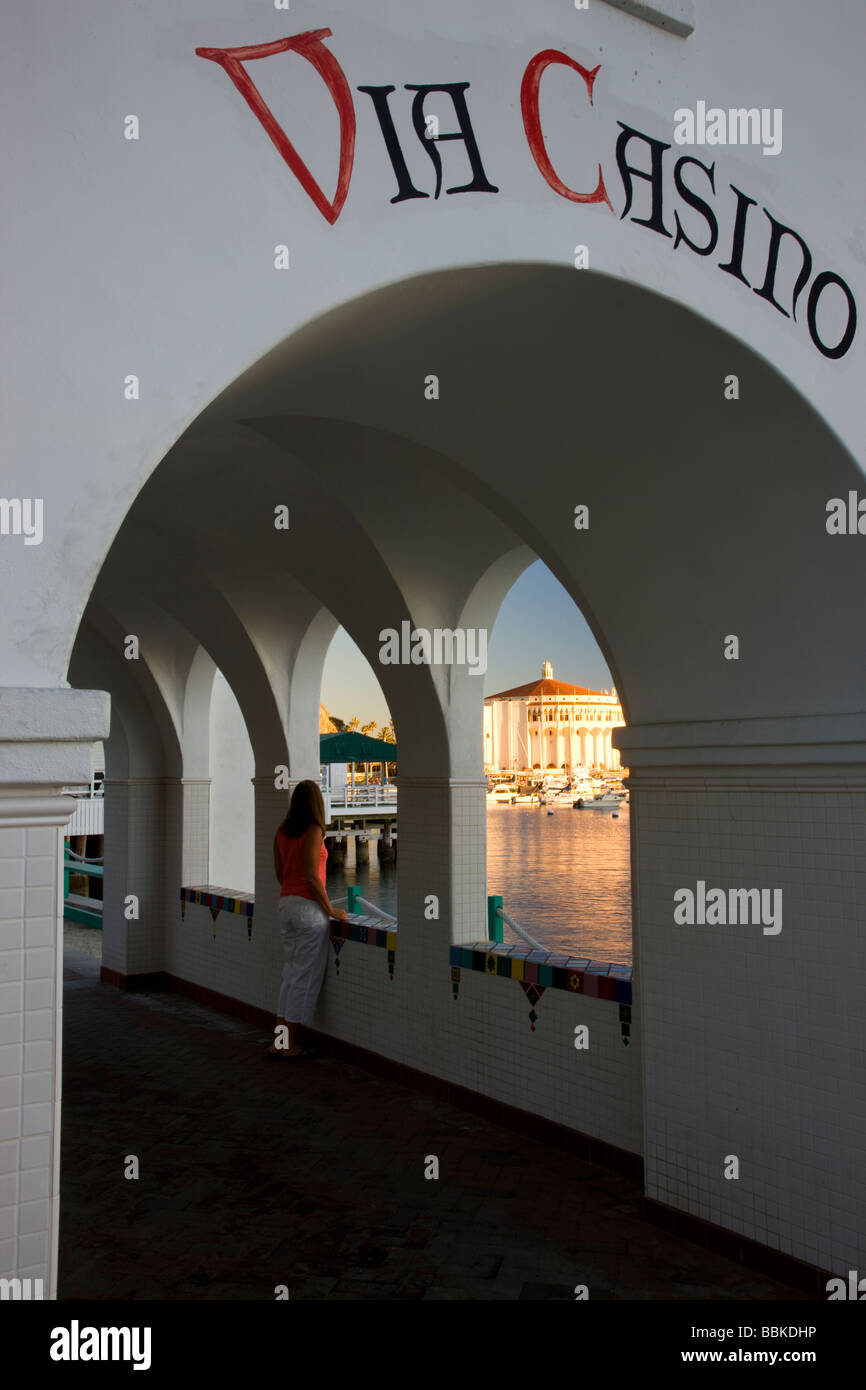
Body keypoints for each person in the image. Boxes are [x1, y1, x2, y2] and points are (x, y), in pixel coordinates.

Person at [267, 780, 348, 1060]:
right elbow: (312, 876)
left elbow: (280, 874)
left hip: (286, 905)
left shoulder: (281, 831)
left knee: (289, 974)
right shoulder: (314, 831)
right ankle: (289, 1044)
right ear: (316, 803)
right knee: (302, 976)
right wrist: (330, 909)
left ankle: (279, 1041)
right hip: (307, 911)